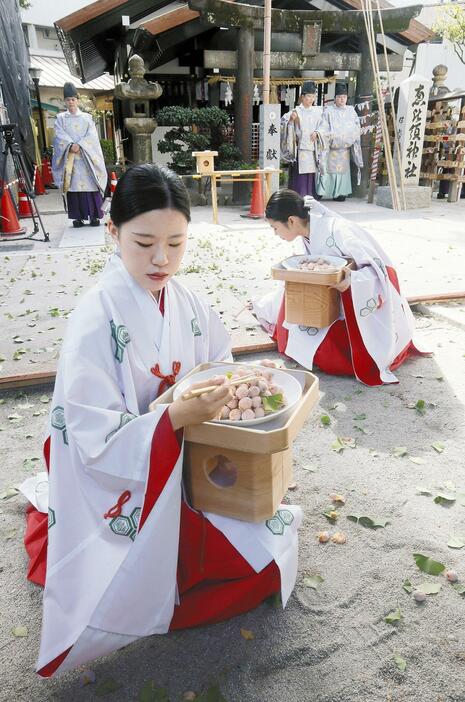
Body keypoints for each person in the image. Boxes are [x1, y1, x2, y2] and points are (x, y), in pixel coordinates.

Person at [20, 164, 302, 678]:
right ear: (113, 232)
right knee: (240, 570)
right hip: (129, 471)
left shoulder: (185, 298)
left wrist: (241, 380)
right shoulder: (95, 314)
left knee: (265, 548)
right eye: (144, 242)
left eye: (176, 243)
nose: (161, 259)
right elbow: (89, 434)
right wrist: (171, 417)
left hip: (180, 454)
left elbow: (214, 360)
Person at [252, 190, 426, 386]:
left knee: (332, 357)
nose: (276, 234)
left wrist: (351, 280)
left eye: (275, 228)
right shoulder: (309, 231)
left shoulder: (340, 231)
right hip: (331, 294)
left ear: (291, 221)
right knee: (288, 301)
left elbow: (379, 271)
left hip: (357, 295)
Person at [51, 82, 107, 228]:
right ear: (65, 101)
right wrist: (70, 145)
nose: (70, 102)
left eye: (73, 99)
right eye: (68, 100)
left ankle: (95, 216)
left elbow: (92, 135)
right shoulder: (60, 118)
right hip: (70, 157)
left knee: (91, 184)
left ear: (77, 100)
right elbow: (58, 135)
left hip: (86, 156)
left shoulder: (87, 118)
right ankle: (78, 218)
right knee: (73, 186)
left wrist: (80, 145)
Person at [316, 83, 363, 202]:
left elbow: (356, 127)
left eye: (344, 97)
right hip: (331, 148)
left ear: (347, 98)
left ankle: (341, 193)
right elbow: (323, 126)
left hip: (344, 149)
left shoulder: (351, 111)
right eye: (339, 97)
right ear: (335, 98)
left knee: (342, 171)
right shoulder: (328, 111)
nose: (342, 99)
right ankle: (323, 191)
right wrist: (326, 135)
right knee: (327, 170)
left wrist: (350, 138)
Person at [280, 81, 325, 198]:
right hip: (299, 150)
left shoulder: (318, 112)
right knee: (299, 177)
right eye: (309, 96)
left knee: (310, 175)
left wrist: (318, 132)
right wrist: (290, 121)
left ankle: (309, 196)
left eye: (313, 96)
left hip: (312, 149)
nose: (311, 99)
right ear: (302, 97)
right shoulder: (295, 111)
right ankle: (297, 197)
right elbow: (282, 123)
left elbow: (324, 127)